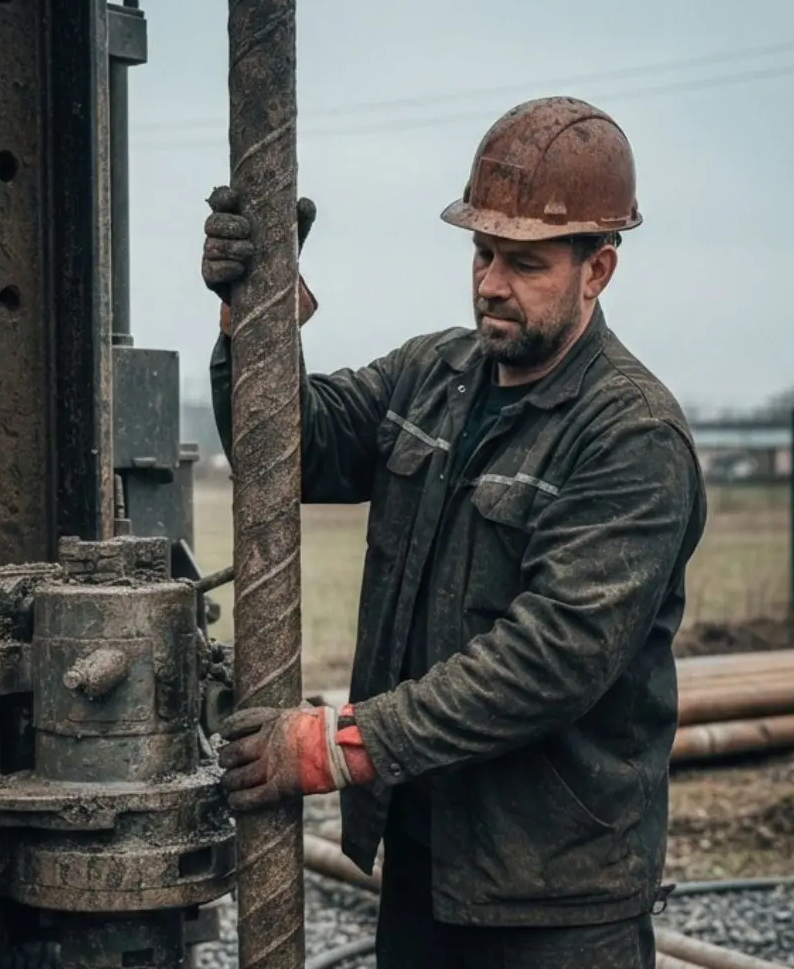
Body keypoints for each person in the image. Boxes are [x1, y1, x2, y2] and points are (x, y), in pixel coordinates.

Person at [203, 96, 707, 969]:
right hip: (428, 859)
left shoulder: (630, 436)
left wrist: (335, 746)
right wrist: (254, 320)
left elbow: (551, 659)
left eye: (526, 262)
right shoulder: (432, 376)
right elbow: (292, 449)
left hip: (558, 896)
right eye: (481, 253)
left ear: (599, 271)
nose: (490, 284)